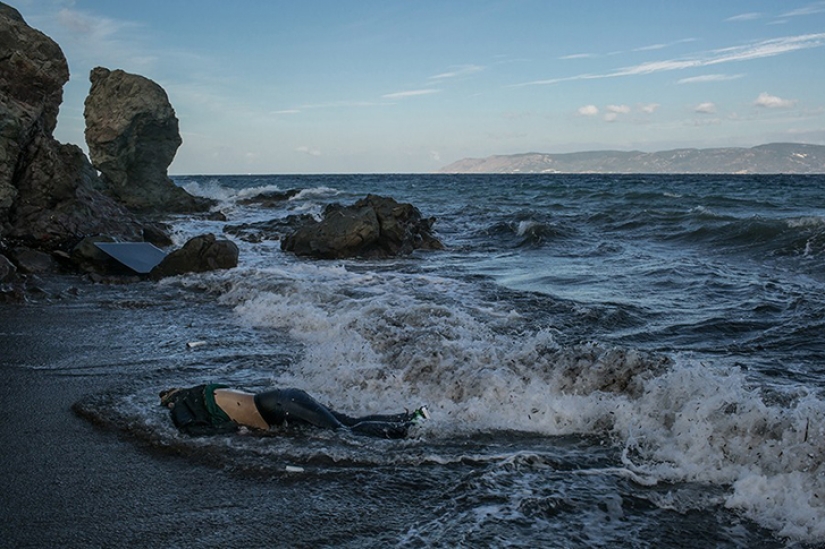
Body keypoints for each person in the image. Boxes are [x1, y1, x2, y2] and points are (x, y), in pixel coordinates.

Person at [159, 384, 429, 439]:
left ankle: (406, 431)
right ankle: (412, 417)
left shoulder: (181, 405)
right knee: (348, 422)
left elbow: (191, 431)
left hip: (279, 406)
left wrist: (235, 429)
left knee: (343, 432)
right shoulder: (200, 392)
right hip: (282, 398)